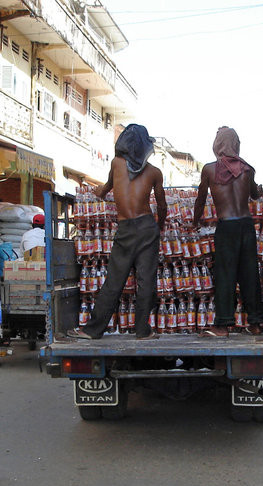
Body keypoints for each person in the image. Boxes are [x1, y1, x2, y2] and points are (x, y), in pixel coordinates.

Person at [68, 123, 167, 340]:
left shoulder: (116, 163)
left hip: (126, 228)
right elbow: (161, 206)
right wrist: (159, 227)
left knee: (114, 280)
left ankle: (92, 330)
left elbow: (105, 189)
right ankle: (142, 330)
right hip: (147, 226)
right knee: (146, 279)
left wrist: (94, 192)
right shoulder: (154, 172)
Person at [192, 126, 263, 337]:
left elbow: (200, 199)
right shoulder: (247, 169)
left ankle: (223, 325)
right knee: (250, 274)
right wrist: (257, 191)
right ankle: (255, 323)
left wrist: (195, 222)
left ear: (217, 145)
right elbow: (255, 194)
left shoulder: (209, 170)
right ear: (236, 144)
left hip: (227, 226)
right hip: (246, 225)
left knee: (226, 275)